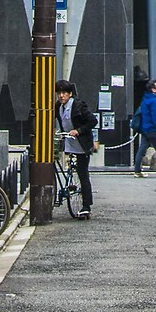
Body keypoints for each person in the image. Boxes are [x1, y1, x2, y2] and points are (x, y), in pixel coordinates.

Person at [55, 79, 96, 217]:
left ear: (70, 94)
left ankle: (86, 205)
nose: (61, 96)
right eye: (59, 93)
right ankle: (66, 187)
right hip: (68, 141)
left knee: (82, 174)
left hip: (82, 143)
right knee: (69, 167)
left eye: (64, 93)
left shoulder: (78, 105)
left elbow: (92, 121)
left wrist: (78, 130)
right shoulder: (58, 107)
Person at [132, 77, 156, 174]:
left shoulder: (146, 99)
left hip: (145, 128)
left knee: (142, 149)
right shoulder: (154, 101)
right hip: (151, 129)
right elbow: (155, 117)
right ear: (153, 89)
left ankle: (137, 170)